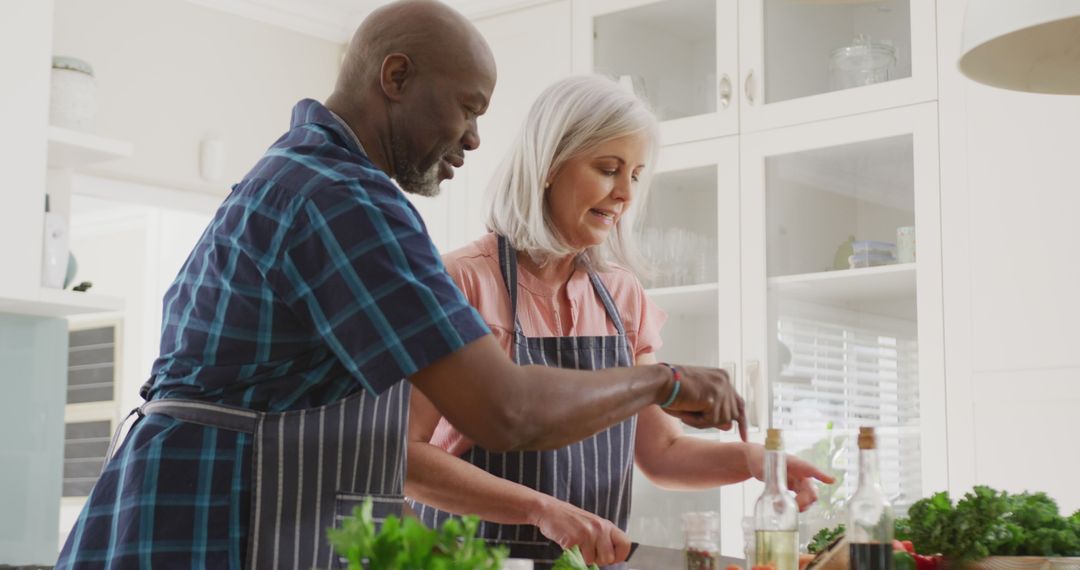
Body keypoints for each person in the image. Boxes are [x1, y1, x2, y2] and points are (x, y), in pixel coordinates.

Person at [56, 2, 745, 569]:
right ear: (395, 76)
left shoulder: (302, 174)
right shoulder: (343, 199)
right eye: (467, 108)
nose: (474, 140)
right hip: (213, 525)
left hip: (204, 513)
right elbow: (504, 411)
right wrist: (665, 383)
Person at [405, 75, 835, 569]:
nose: (625, 194)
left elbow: (662, 452)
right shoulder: (462, 282)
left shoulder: (619, 293)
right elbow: (407, 458)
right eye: (608, 169)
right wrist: (541, 511)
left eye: (634, 174)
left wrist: (754, 461)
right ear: (547, 166)